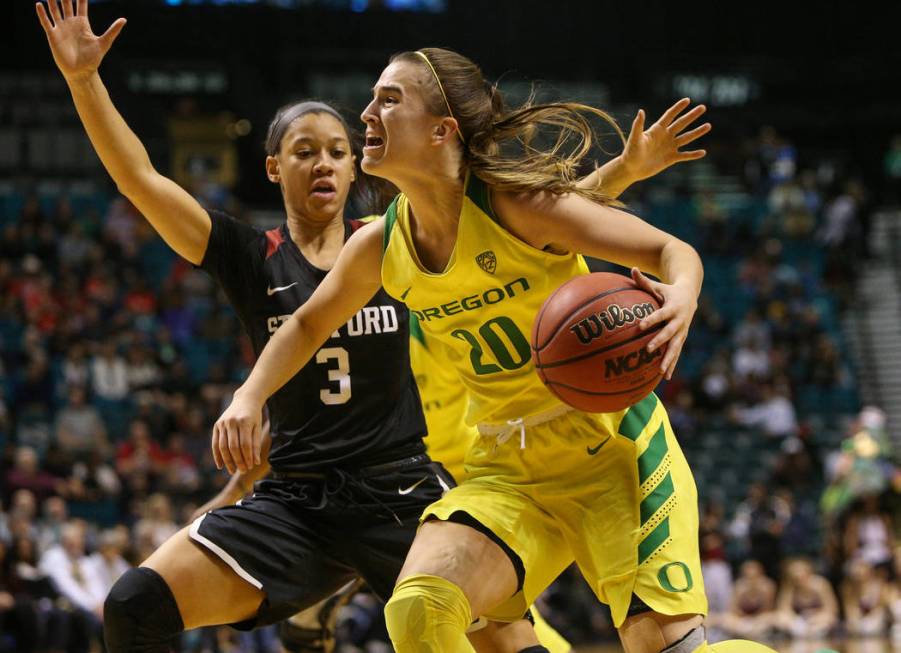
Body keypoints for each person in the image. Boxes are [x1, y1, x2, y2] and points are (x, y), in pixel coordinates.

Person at [36, 3, 635, 651]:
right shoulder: (248, 254)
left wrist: (623, 172)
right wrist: (82, 80)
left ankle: (323, 605)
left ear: (356, 168)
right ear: (273, 168)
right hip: (295, 498)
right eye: (303, 151)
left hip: (401, 489)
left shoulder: (396, 242)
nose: (323, 163)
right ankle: (318, 597)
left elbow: (526, 228)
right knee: (133, 604)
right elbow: (139, 177)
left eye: (337, 151)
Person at [211, 46, 776, 653]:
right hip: (507, 469)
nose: (367, 114)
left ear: (441, 130)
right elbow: (302, 326)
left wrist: (682, 295)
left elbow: (672, 253)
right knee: (419, 610)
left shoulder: (516, 203)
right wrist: (250, 395)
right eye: (372, 99)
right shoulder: (380, 245)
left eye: (389, 100)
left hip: (612, 456)